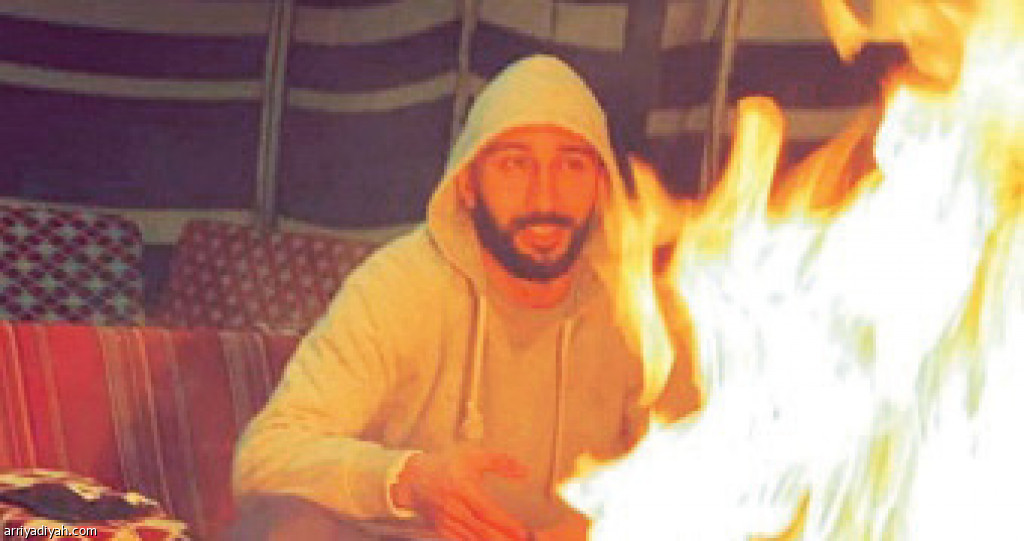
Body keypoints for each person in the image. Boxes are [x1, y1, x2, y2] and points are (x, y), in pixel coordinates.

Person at [231, 54, 694, 541]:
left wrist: (592, 529)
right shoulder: (402, 285)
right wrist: (410, 481)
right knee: (286, 529)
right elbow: (265, 457)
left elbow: (706, 474)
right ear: (468, 184)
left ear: (601, 186)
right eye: (515, 164)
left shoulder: (645, 307)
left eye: (572, 165)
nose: (545, 197)